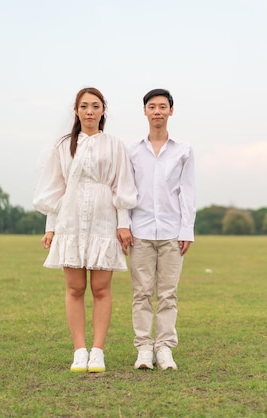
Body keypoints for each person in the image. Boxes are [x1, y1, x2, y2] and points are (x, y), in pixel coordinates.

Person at [33, 87, 137, 373]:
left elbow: (122, 186)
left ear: (103, 110)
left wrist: (123, 224)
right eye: (84, 106)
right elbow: (56, 189)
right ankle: (79, 350)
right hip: (71, 220)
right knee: (75, 288)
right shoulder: (64, 145)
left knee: (101, 288)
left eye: (95, 106)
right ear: (76, 111)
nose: (89, 111)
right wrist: (51, 228)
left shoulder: (115, 145)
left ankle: (98, 351)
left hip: (105, 219)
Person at [127, 88, 196, 370]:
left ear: (171, 111)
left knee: (168, 293)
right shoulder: (132, 150)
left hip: (171, 232)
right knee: (141, 293)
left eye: (162, 107)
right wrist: (125, 226)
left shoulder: (183, 150)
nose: (157, 111)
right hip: (139, 232)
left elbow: (187, 192)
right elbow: (126, 191)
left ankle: (165, 347)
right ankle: (144, 348)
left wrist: (186, 230)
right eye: (152, 107)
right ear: (145, 111)